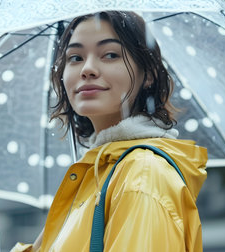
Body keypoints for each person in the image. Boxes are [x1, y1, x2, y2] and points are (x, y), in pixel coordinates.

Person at [12, 11, 207, 252]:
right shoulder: (100, 175)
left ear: (148, 75)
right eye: (75, 57)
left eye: (110, 54)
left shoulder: (142, 175)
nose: (88, 69)